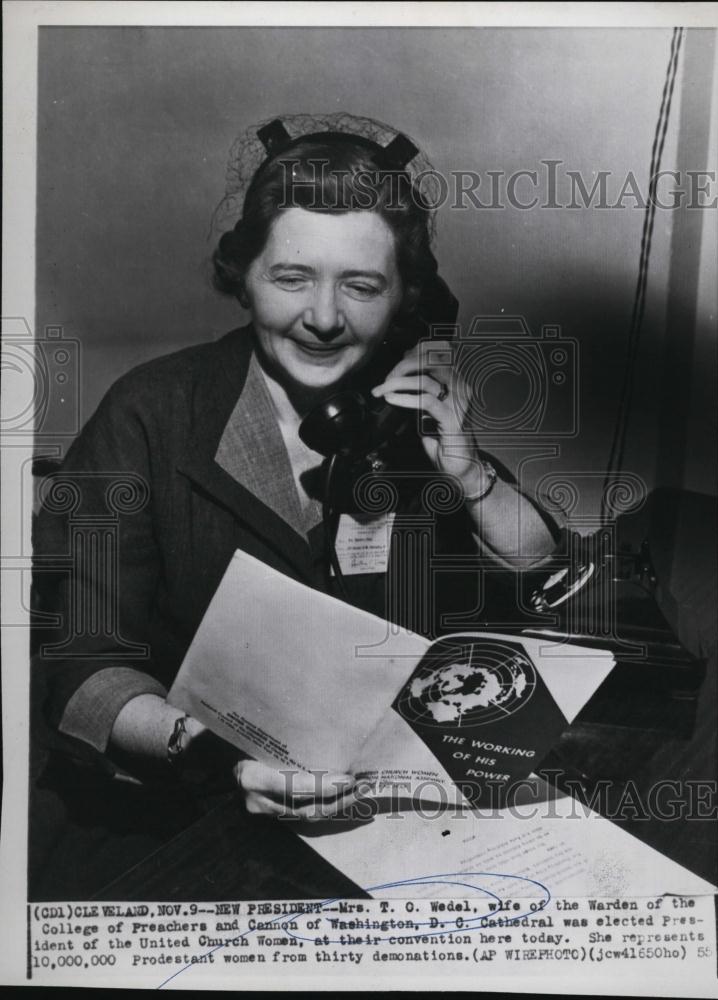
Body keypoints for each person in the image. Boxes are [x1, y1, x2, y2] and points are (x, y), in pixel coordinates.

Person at [31, 113, 562, 883]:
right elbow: (81, 663)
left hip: (373, 808)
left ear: (407, 300)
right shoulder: (153, 411)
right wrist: (217, 759)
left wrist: (467, 469)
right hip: (173, 810)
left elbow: (537, 568)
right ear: (241, 278)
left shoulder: (405, 416)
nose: (322, 318)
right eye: (290, 278)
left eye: (361, 285)